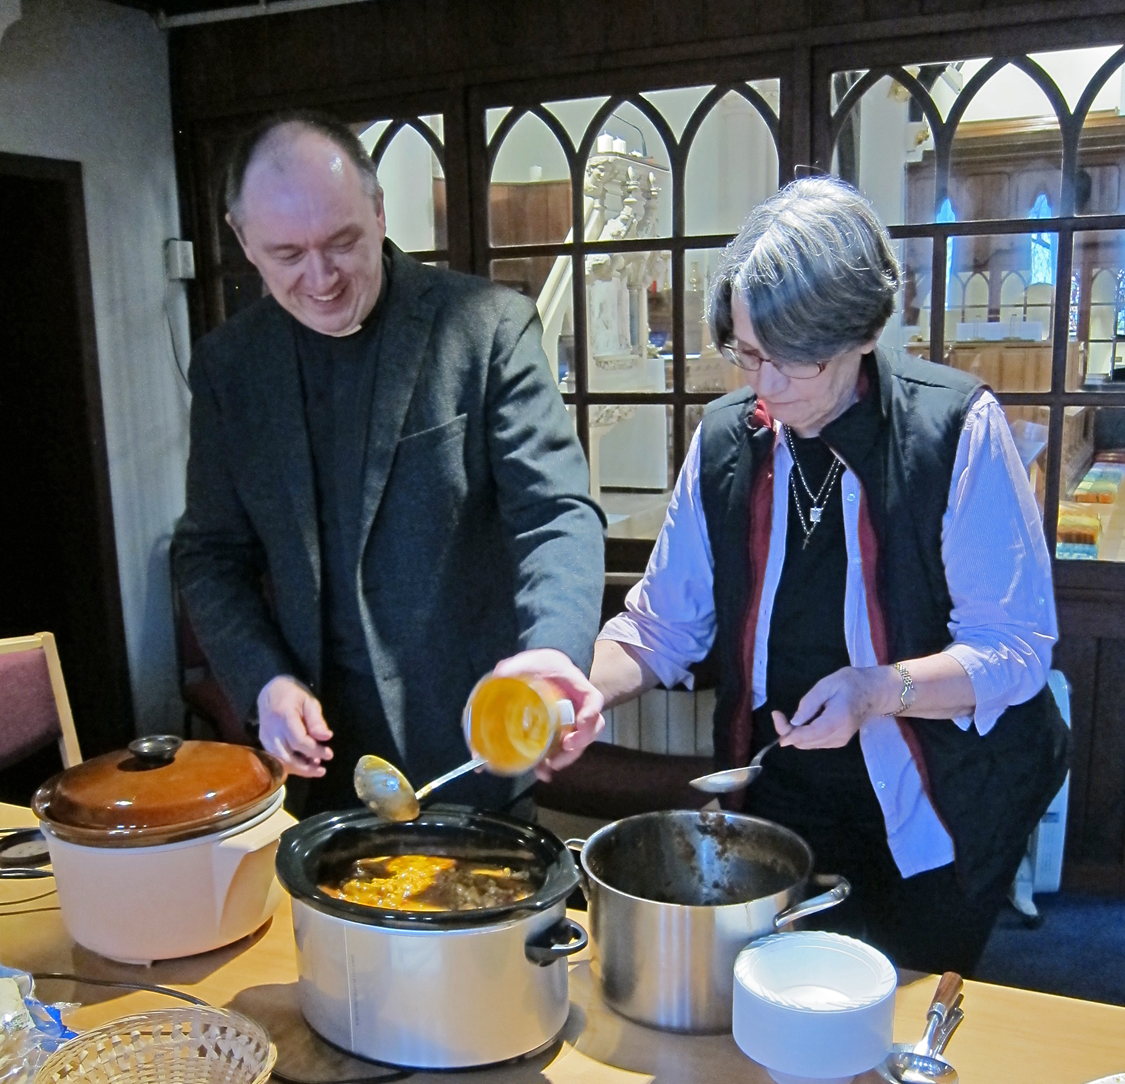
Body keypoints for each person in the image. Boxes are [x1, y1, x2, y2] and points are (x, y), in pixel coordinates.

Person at [565, 177, 1068, 977]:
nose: (762, 386)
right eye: (745, 352)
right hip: (784, 788)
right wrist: (583, 688)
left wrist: (875, 690)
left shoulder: (952, 429)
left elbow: (1011, 648)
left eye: (790, 361)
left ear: (862, 333)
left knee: (899, 995)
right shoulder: (729, 441)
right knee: (778, 995)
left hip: (941, 796)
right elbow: (663, 625)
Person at [172, 112, 605, 813]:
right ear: (242, 238)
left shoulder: (485, 327)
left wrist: (552, 654)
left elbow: (552, 514)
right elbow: (209, 553)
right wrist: (263, 682)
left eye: (342, 242)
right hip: (318, 761)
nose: (320, 279)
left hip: (470, 741)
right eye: (286, 254)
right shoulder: (230, 366)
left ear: (378, 212)